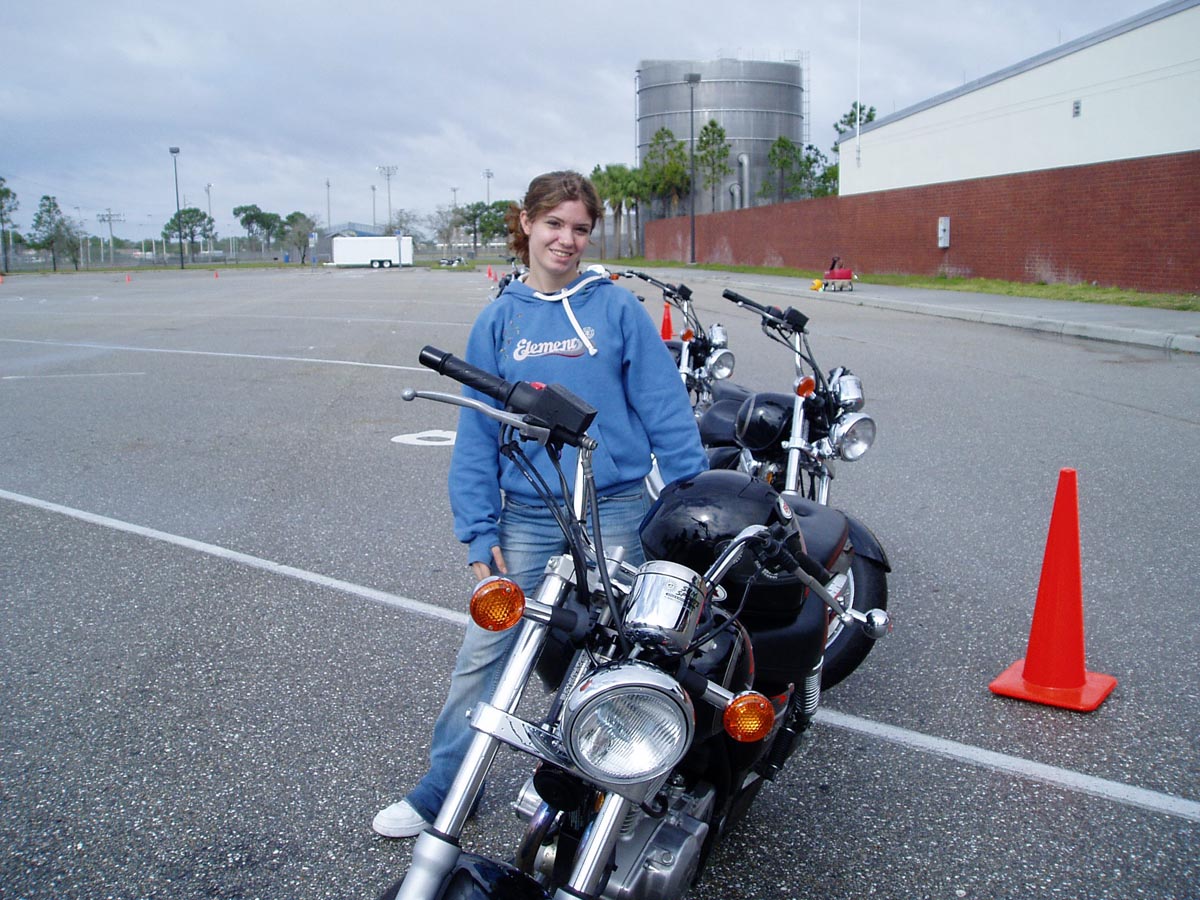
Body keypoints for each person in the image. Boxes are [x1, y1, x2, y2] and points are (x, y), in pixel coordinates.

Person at [373, 170, 708, 838]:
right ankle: (445, 789)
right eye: (554, 223)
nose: (567, 239)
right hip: (528, 515)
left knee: (623, 653)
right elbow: (476, 435)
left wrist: (690, 505)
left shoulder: (617, 309)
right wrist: (478, 532)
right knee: (487, 650)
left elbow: (665, 410)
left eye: (580, 228)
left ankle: (607, 789)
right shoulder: (499, 320)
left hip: (615, 508)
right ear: (526, 223)